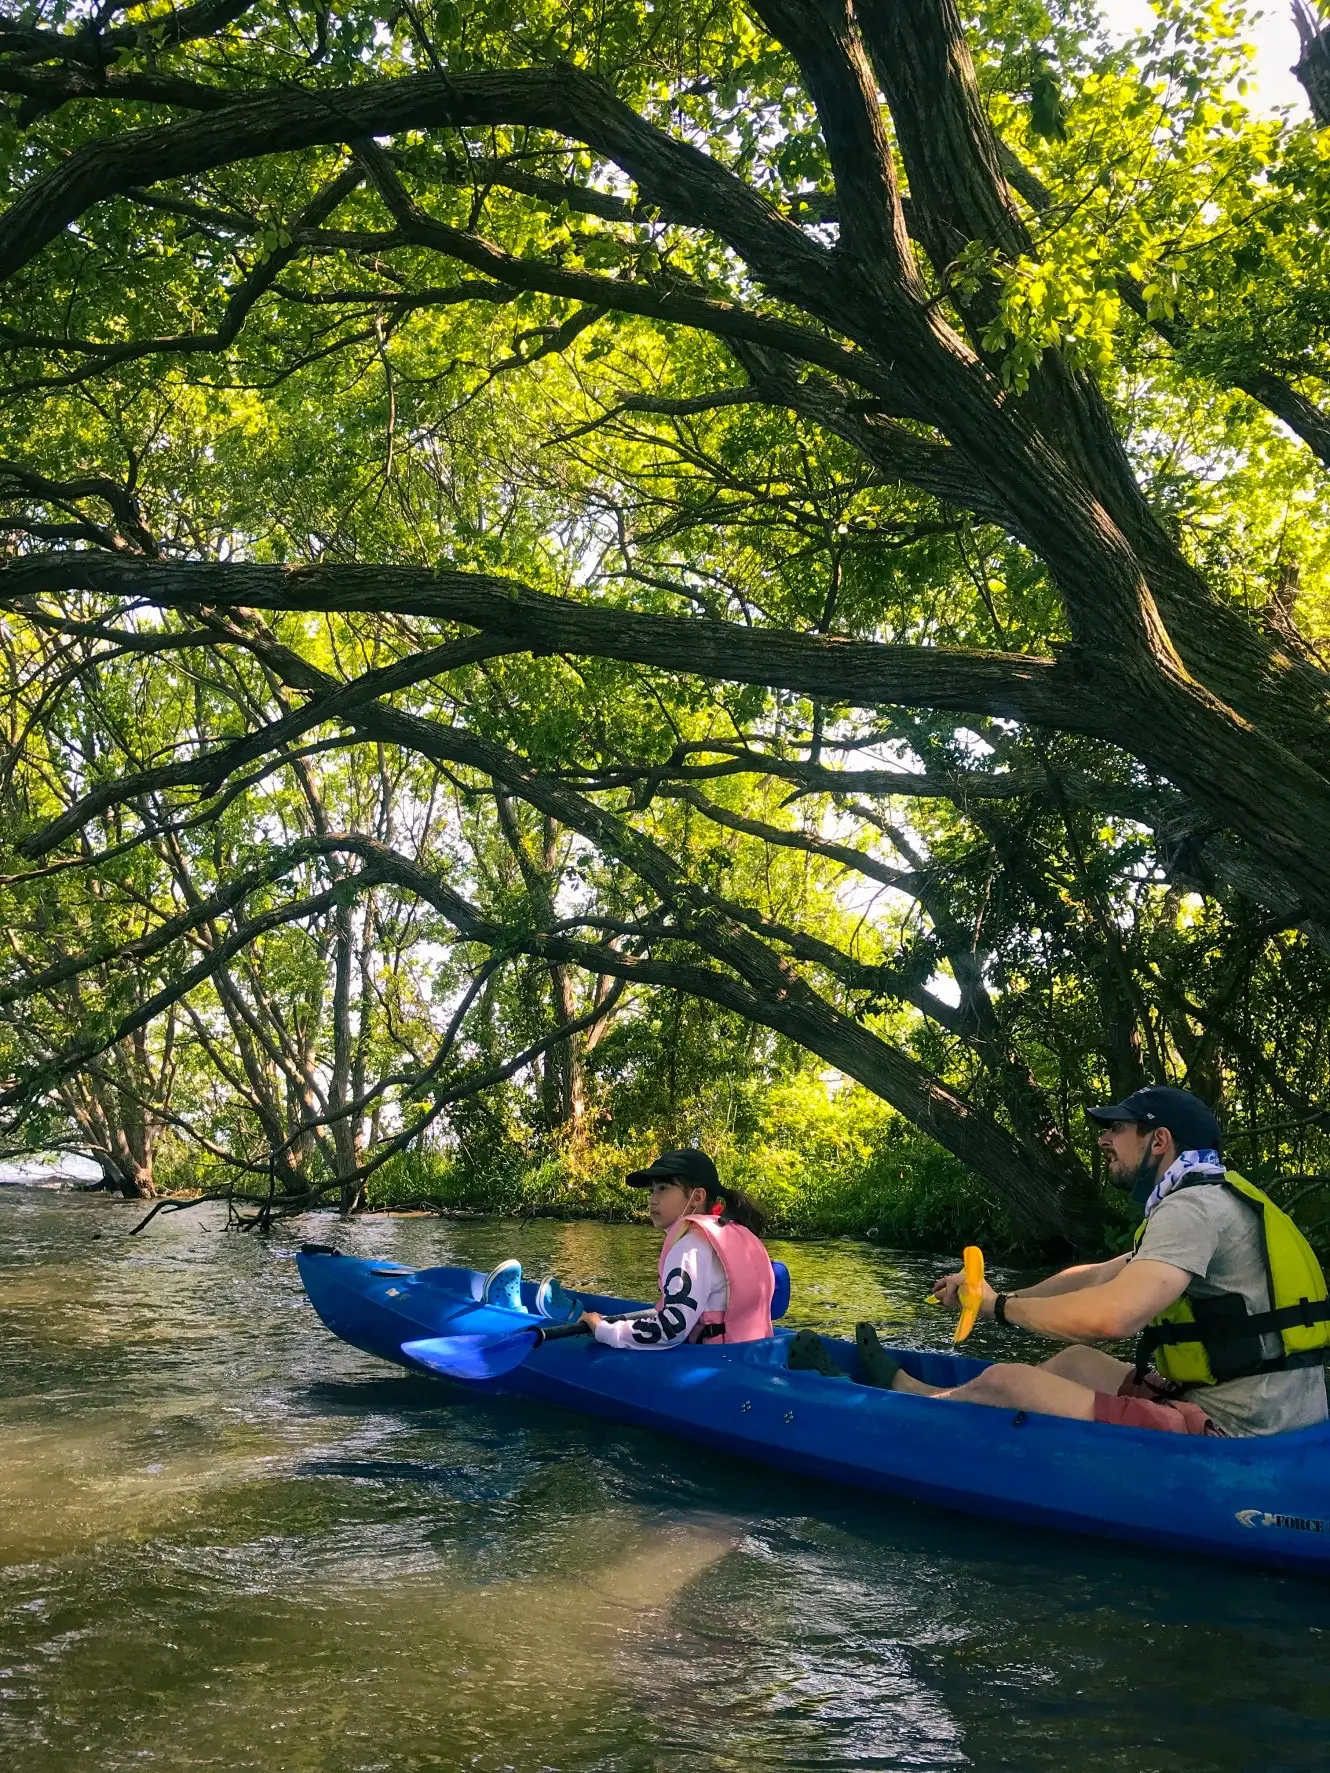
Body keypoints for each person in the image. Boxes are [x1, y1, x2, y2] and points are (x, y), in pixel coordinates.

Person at [839, 1086, 1330, 1436]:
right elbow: (1099, 1275)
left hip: (1242, 1430)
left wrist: (1000, 1308)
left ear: (1158, 1141)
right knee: (1074, 1362)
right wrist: (986, 1291)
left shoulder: (1193, 1209)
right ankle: (973, 1412)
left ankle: (913, 1404)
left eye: (1117, 1129)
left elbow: (1114, 1316)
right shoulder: (1209, 1196)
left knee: (1006, 1380)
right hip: (1260, 1407)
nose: (1103, 1140)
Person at [580, 1148, 774, 1350]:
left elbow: (671, 1330)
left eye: (663, 1188)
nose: (653, 1199)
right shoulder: (738, 1232)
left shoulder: (690, 1247)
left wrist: (604, 1330)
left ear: (697, 1197)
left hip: (714, 1362)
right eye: (651, 1190)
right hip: (753, 1353)